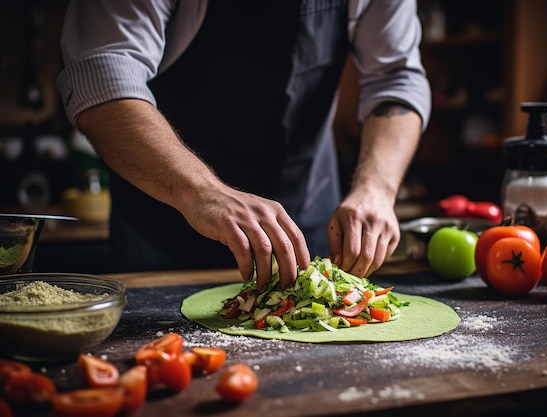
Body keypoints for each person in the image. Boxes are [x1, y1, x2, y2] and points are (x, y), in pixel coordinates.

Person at [56, 0, 431, 290]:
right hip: (161, 231)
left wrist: (376, 190)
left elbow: (396, 78)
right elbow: (102, 74)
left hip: (311, 222)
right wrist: (202, 192)